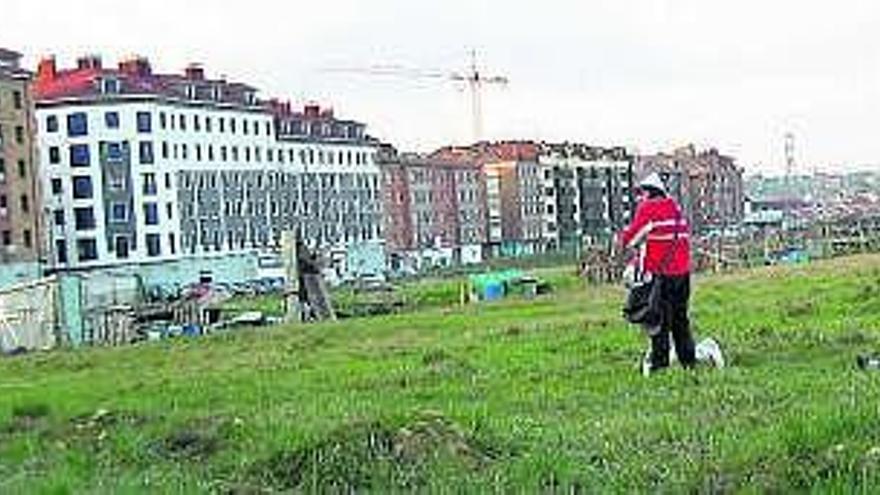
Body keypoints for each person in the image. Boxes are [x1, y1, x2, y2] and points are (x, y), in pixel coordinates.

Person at [618, 172, 697, 374]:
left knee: (658, 322)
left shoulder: (649, 208)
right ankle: (688, 361)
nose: (639, 198)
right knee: (681, 320)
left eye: (641, 193)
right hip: (683, 274)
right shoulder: (675, 208)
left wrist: (622, 239)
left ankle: (659, 367)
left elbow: (631, 238)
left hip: (662, 276)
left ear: (649, 193)